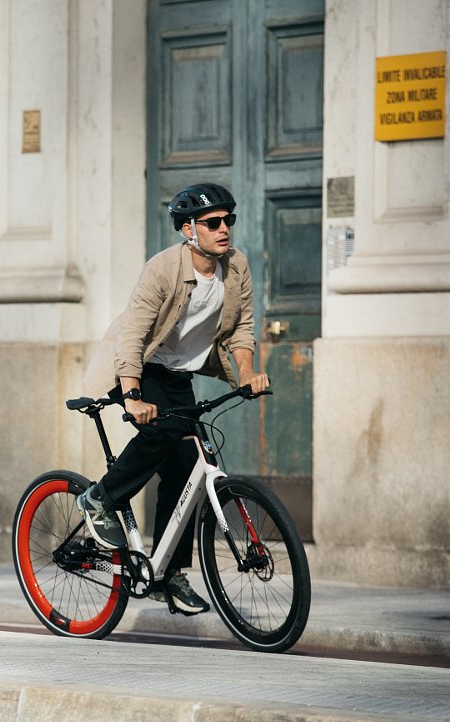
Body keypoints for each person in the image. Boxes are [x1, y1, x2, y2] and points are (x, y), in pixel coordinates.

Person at [77, 182, 270, 613]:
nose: (224, 229)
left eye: (228, 220)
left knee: (186, 466)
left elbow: (241, 327)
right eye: (212, 222)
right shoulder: (162, 269)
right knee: (162, 433)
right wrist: (132, 395)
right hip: (138, 364)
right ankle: (100, 498)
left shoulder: (236, 267)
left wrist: (246, 373)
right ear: (188, 229)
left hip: (178, 373)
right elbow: (133, 336)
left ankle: (168, 574)